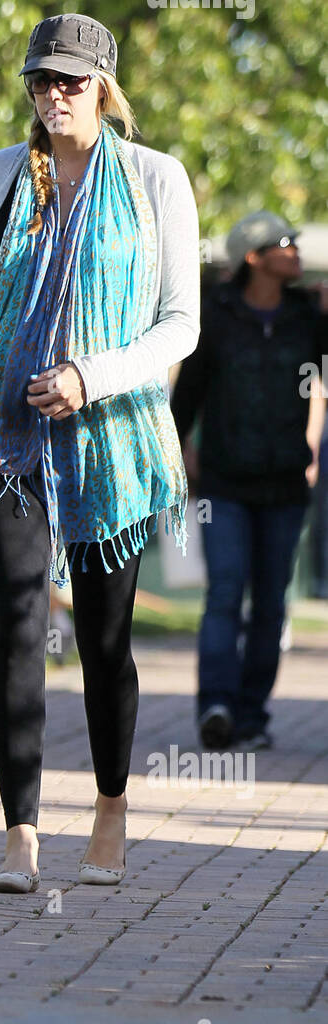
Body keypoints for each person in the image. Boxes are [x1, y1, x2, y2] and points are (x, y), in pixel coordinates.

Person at [0, 13, 200, 891]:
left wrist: (94, 375)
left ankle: (111, 811)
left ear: (104, 86)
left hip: (108, 438)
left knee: (103, 639)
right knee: (17, 624)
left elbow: (181, 324)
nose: (53, 96)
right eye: (41, 81)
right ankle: (19, 837)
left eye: (70, 82)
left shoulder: (156, 180)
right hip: (3, 435)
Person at [171, 214, 328, 752]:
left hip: (285, 486)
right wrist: (181, 458)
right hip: (224, 486)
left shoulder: (309, 316)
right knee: (224, 593)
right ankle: (216, 706)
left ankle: (252, 716)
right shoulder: (214, 316)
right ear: (254, 258)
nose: (295, 248)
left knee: (270, 605)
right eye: (283, 243)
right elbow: (185, 399)